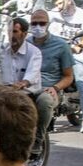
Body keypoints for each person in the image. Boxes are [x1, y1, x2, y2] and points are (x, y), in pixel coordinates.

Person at [28, 8, 74, 152]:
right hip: (26, 87)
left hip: (48, 89)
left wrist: (55, 88)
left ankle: (38, 140)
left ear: (48, 24)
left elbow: (69, 76)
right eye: (34, 23)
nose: (38, 26)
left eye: (42, 23)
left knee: (44, 101)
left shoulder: (61, 46)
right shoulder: (25, 44)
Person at [49, 0, 83, 133]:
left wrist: (79, 46)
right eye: (56, 4)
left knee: (81, 84)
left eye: (60, 3)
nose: (57, 7)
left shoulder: (82, 15)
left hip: (78, 53)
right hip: (60, 51)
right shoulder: (54, 14)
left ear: (68, 2)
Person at [0, 16, 42, 95]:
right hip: (5, 93)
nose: (11, 35)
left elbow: (32, 74)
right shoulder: (1, 49)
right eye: (9, 31)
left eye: (15, 31)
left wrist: (22, 83)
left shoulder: (34, 52)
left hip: (26, 94)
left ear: (24, 34)